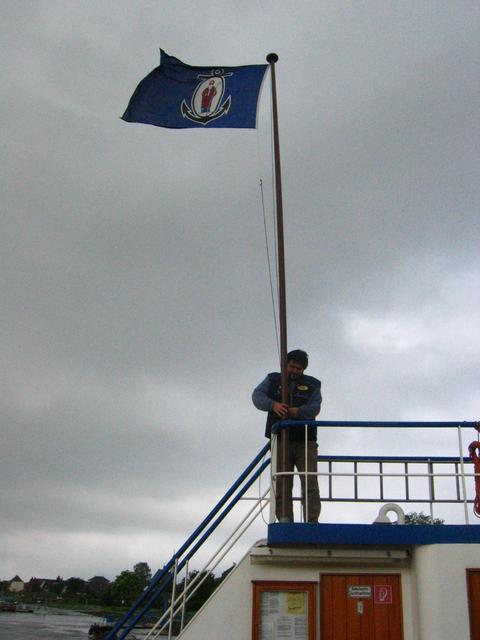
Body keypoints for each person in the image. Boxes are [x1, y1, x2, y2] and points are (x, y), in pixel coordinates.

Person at [252, 349, 322, 523]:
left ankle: (312, 521)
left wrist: (297, 412)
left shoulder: (313, 384)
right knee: (283, 481)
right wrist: (273, 405)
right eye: (292, 366)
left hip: (306, 440)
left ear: (303, 369)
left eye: (299, 368)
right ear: (285, 365)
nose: (294, 371)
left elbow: (315, 407)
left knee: (309, 481)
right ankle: (284, 519)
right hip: (281, 440)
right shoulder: (273, 379)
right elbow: (257, 396)